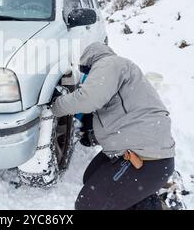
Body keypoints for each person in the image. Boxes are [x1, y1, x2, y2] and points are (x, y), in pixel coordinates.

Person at [51, 42, 176, 210]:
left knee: (89, 205)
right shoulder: (119, 69)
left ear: (89, 59)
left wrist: (55, 105)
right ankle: (147, 200)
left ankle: (159, 206)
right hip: (139, 154)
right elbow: (121, 114)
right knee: (91, 177)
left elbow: (88, 99)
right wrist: (93, 134)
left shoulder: (109, 63)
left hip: (147, 159)